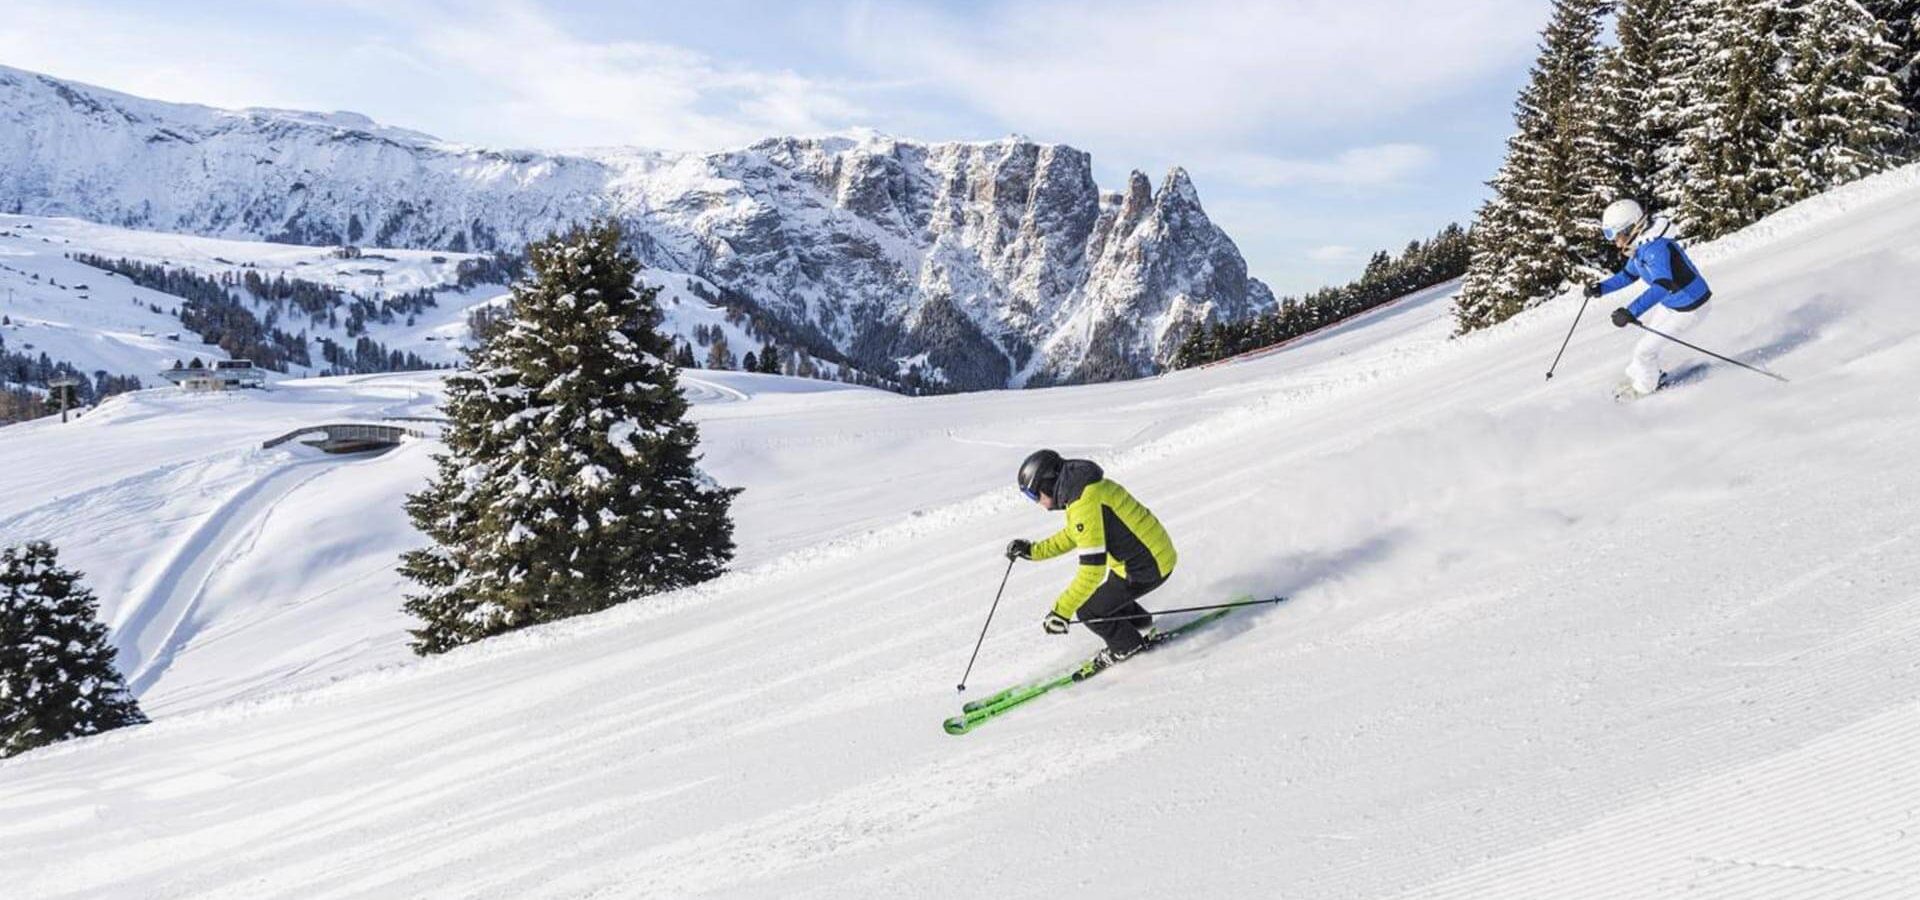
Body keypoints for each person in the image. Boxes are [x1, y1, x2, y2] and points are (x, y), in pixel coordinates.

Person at [1005, 449, 1179, 675]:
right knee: (1107, 597)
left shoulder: (1083, 502)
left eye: (1034, 495)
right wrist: (1033, 551)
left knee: (1090, 611)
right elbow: (1076, 534)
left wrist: (1061, 612)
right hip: (1150, 556)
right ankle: (1142, 625)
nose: (1038, 503)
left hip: (1146, 566)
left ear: (1047, 483)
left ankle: (1128, 646)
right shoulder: (1084, 490)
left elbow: (1092, 571)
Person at [1585, 199, 1714, 398]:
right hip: (1672, 304)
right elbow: (1628, 275)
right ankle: (1645, 375)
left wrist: (1631, 312)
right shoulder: (1640, 248)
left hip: (1691, 307)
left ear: (1631, 228)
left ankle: (1645, 389)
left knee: (1644, 352)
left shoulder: (1655, 248)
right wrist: (1601, 288)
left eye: (1615, 234)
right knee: (1644, 349)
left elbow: (1663, 285)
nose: (1614, 241)